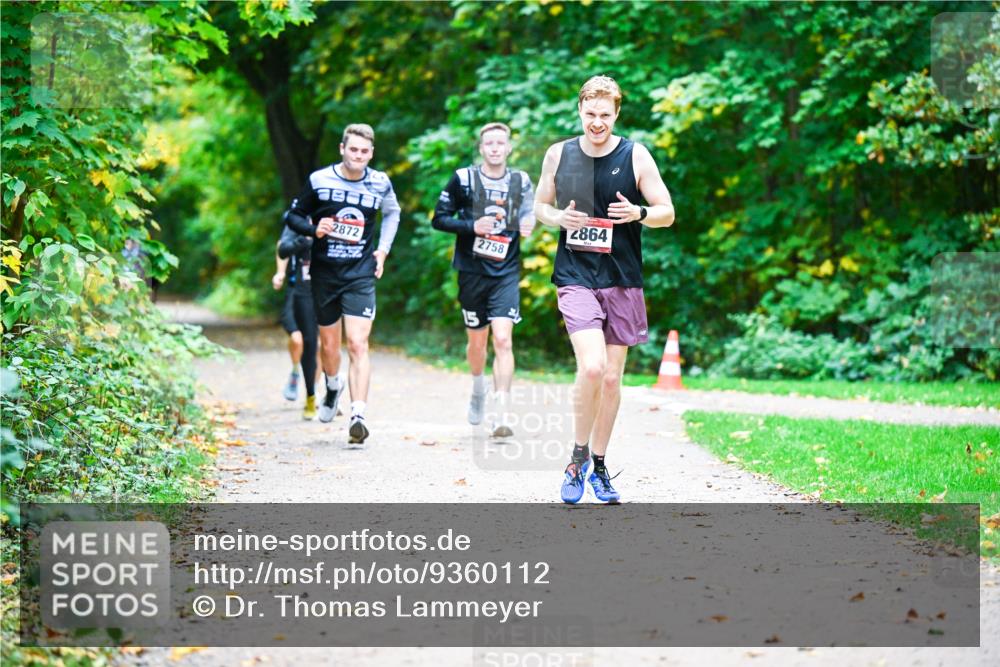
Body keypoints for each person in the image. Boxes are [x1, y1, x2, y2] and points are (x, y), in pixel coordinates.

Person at [533, 76, 675, 504]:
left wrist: (638, 212)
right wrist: (558, 219)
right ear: (580, 110)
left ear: (616, 115)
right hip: (576, 275)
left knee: (612, 379)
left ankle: (599, 464)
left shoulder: (636, 155)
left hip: (623, 279)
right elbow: (540, 206)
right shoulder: (560, 154)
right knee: (592, 367)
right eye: (591, 114)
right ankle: (576, 460)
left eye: (605, 116)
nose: (598, 123)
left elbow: (667, 212)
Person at [284, 124, 401, 445]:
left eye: (364, 152)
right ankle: (332, 386)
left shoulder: (380, 183)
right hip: (324, 273)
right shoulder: (320, 180)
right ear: (342, 149)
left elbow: (393, 213)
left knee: (359, 344)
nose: (358, 156)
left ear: (371, 153)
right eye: (353, 150)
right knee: (329, 347)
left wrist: (383, 250)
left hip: (360, 274)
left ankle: (358, 414)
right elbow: (292, 216)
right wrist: (314, 229)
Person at [432, 122, 535, 438]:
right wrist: (471, 226)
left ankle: (502, 411)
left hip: (505, 272)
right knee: (477, 342)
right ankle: (478, 387)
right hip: (472, 272)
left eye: (500, 143)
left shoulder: (521, 180)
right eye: (488, 143)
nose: (494, 148)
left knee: (503, 339)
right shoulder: (463, 179)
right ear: (481, 148)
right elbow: (439, 218)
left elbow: (530, 210)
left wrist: (529, 221)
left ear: (508, 148)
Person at [273, 224, 321, 420]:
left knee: (316, 345)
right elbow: (281, 246)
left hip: (318, 293)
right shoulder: (299, 220)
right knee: (297, 339)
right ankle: (295, 371)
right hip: (296, 292)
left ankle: (314, 394)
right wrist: (280, 273)